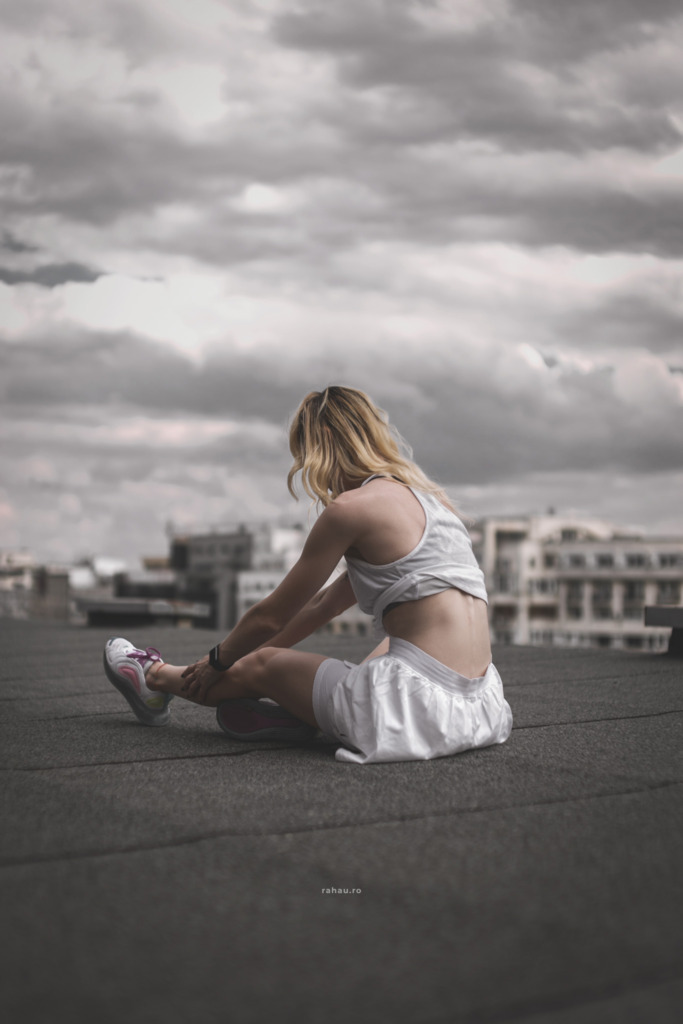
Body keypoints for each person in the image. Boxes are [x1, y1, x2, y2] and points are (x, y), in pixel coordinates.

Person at [103, 385, 512, 764]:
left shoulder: (350, 510)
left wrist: (220, 661)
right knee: (391, 646)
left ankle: (153, 680)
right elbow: (325, 604)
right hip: (482, 709)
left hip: (409, 712)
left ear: (318, 449)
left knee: (261, 664)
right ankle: (301, 712)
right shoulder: (433, 505)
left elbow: (271, 617)